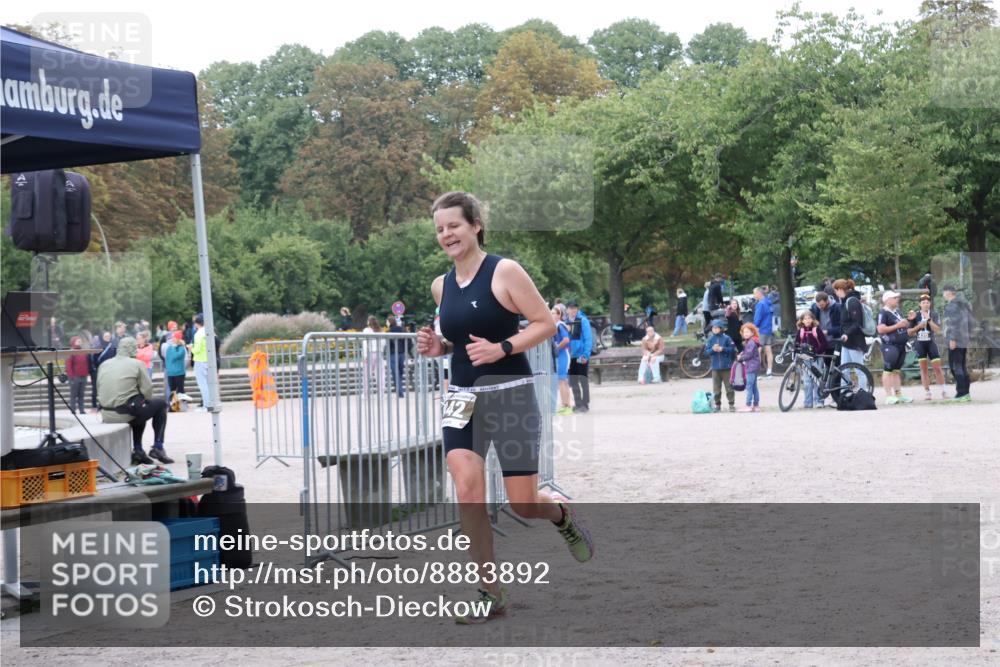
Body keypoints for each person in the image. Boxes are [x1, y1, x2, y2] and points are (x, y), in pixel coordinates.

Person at [415, 191, 593, 624]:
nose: (446, 235)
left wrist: (504, 348)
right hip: (462, 398)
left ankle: (559, 514)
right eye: (440, 229)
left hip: (510, 393)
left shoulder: (505, 271)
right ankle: (489, 593)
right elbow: (461, 341)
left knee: (523, 503)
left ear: (475, 225)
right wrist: (440, 346)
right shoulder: (441, 285)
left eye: (453, 225)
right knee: (468, 490)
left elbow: (547, 324)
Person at [96, 337, 174, 465]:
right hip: (125, 413)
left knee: (138, 406)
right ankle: (158, 447)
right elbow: (148, 391)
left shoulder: (104, 364)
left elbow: (98, 388)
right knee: (159, 404)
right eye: (136, 347)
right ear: (132, 349)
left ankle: (138, 450)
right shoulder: (137, 364)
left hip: (107, 414)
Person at [876, 290, 915, 405]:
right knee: (888, 370)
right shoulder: (883, 312)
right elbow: (880, 329)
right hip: (890, 345)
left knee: (896, 371)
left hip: (901, 345)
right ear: (887, 300)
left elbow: (903, 325)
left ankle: (899, 395)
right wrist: (898, 325)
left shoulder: (897, 311)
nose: (897, 300)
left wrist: (909, 320)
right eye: (894, 298)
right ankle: (888, 396)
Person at [833, 278, 870, 392]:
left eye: (836, 290)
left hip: (855, 341)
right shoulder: (844, 301)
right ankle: (845, 393)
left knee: (859, 369)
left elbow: (857, 323)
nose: (835, 293)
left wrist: (847, 333)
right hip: (846, 342)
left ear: (840, 289)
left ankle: (863, 393)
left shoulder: (852, 301)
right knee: (844, 370)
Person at [912, 293, 948, 401]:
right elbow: (910, 331)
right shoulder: (915, 315)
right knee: (923, 369)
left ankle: (943, 391)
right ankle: (927, 392)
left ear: (930, 304)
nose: (926, 304)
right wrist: (919, 326)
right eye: (923, 303)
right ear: (920, 304)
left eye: (927, 302)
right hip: (920, 343)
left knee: (937, 367)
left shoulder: (934, 314)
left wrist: (929, 320)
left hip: (931, 342)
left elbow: (937, 330)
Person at [942, 284, 973, 402]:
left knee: (955, 366)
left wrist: (953, 338)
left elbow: (953, 323)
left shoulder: (953, 306)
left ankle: (961, 393)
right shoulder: (964, 304)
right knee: (961, 365)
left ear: (949, 292)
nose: (943, 294)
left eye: (944, 292)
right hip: (964, 338)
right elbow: (971, 321)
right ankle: (965, 393)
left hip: (956, 339)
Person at [796, 310, 829, 409]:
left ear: (813, 319)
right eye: (805, 319)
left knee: (817, 380)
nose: (807, 320)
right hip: (805, 359)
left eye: (809, 318)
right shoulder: (800, 331)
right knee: (807, 382)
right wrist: (796, 353)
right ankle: (808, 402)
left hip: (817, 358)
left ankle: (819, 401)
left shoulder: (817, 330)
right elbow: (796, 344)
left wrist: (817, 352)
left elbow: (824, 343)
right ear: (801, 321)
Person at [565, 301, 592, 412]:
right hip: (570, 357)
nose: (573, 310)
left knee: (583, 380)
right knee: (573, 382)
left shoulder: (583, 321)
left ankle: (585, 404)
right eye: (571, 308)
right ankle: (577, 403)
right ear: (567, 310)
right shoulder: (565, 323)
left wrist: (585, 354)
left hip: (581, 356)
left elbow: (588, 339)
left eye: (575, 308)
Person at [704, 318, 736, 412]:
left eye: (717, 328)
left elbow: (732, 350)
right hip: (715, 368)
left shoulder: (727, 338)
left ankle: (731, 404)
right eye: (713, 328)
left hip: (727, 367)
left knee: (729, 387)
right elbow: (706, 353)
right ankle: (717, 405)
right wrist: (712, 350)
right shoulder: (710, 339)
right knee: (716, 389)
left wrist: (723, 349)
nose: (715, 329)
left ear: (721, 328)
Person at [189, 313, 214, 411]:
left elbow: (197, 350)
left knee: (202, 384)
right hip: (208, 360)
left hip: (199, 360)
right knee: (209, 384)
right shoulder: (208, 331)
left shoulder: (198, 334)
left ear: (196, 323)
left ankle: (206, 405)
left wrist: (191, 348)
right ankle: (210, 403)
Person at [551, 305, 573, 415]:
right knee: (561, 381)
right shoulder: (556, 326)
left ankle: (567, 406)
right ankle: (564, 405)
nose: (551, 315)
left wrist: (557, 347)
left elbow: (566, 339)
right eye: (550, 313)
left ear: (559, 315)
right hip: (560, 355)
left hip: (563, 355)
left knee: (563, 381)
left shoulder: (560, 325)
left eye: (554, 313)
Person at [737, 323, 762, 412]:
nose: (746, 333)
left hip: (751, 367)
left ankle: (748, 405)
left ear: (752, 332)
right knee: (754, 386)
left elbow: (749, 354)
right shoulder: (752, 341)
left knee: (749, 386)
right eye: (744, 332)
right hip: (753, 366)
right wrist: (742, 354)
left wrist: (741, 358)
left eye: (748, 331)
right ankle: (756, 405)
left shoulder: (751, 342)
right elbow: (747, 352)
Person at [752, 287, 775, 377]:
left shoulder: (760, 304)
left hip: (760, 329)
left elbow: (758, 318)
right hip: (768, 329)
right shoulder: (768, 302)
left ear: (758, 293)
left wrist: (754, 327)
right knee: (768, 350)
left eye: (754, 293)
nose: (754, 295)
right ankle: (769, 371)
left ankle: (756, 373)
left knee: (757, 350)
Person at [65, 336, 90, 414]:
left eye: (80, 341)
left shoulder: (82, 351)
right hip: (75, 377)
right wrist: (71, 377)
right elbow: (68, 365)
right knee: (74, 394)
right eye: (78, 341)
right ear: (73, 342)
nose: (80, 342)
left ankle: (81, 410)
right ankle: (73, 410)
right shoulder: (71, 352)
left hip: (84, 376)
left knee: (81, 394)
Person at [361, 315, 386, 394]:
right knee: (380, 374)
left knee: (366, 374)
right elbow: (383, 343)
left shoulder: (366, 330)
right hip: (379, 353)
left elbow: (365, 342)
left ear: (368, 322)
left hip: (369, 353)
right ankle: (381, 393)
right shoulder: (380, 330)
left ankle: (365, 393)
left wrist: (365, 355)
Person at [164, 330, 190, 402]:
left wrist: (174, 348)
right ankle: (173, 407)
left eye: (174, 337)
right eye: (172, 337)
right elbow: (168, 359)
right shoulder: (169, 348)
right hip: (171, 373)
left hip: (179, 373)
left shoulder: (181, 348)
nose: (172, 339)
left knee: (180, 391)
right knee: (172, 391)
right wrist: (168, 369)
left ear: (178, 339)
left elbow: (176, 356)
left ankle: (182, 405)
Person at [386, 315, 408, 398]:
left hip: (393, 354)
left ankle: (400, 392)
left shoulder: (389, 332)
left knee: (396, 373)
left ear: (389, 322)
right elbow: (407, 340)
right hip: (402, 353)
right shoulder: (401, 329)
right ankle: (400, 391)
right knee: (400, 372)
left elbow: (388, 344)